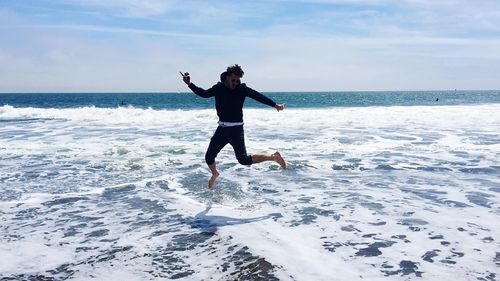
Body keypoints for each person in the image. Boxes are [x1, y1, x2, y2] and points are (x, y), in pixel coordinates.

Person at [180, 64, 287, 188]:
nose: (235, 83)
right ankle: (215, 173)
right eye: (233, 80)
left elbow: (258, 96)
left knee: (244, 160)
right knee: (209, 157)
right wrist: (189, 84)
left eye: (237, 81)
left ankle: (274, 157)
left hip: (236, 130)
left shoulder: (242, 89)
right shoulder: (218, 88)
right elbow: (204, 94)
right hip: (222, 129)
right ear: (227, 77)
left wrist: (275, 105)